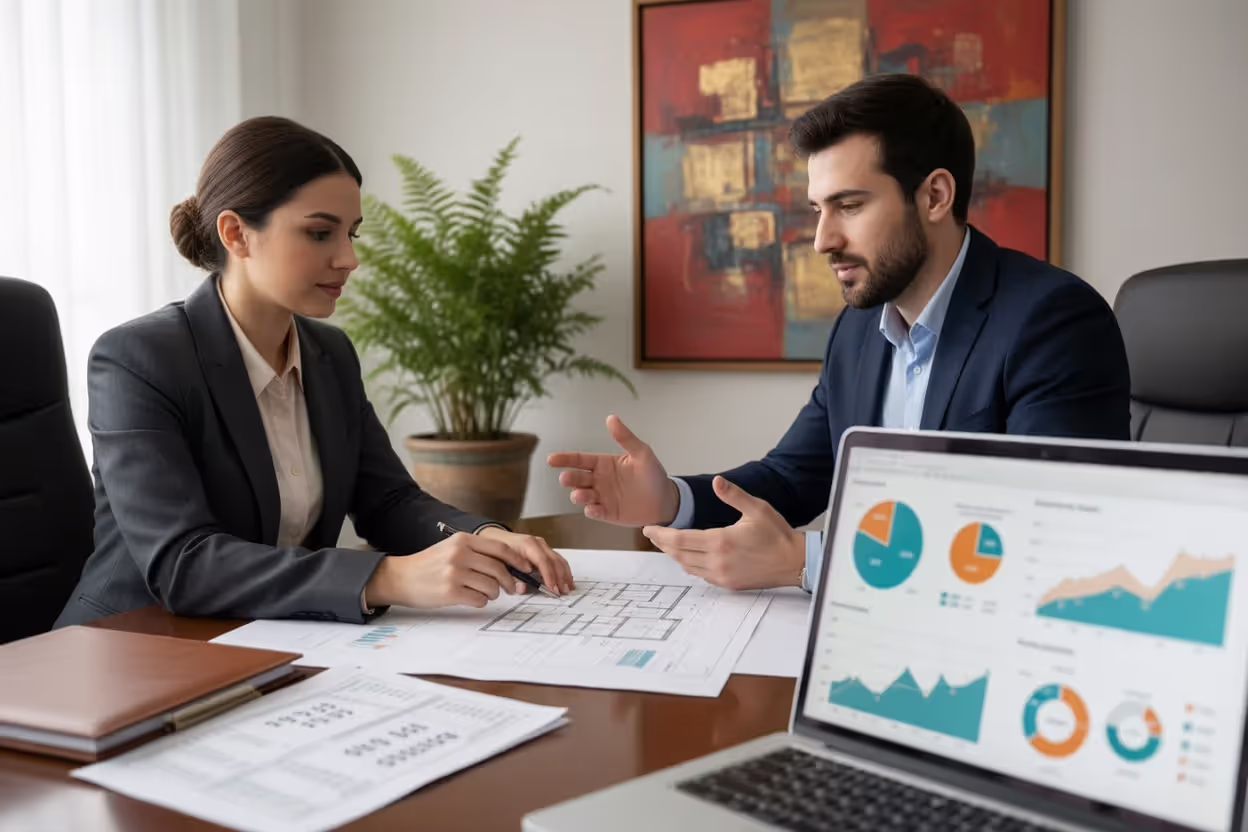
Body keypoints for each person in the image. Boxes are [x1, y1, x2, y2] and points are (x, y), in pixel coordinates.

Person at [548, 74, 1130, 594]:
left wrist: (808, 562)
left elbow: (1049, 542)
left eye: (849, 205)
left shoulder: (1053, 321)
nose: (823, 238)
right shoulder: (858, 329)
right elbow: (795, 476)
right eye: (816, 210)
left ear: (934, 196)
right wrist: (671, 501)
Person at [55, 116, 572, 627]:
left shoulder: (330, 354)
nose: (348, 259)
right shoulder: (138, 359)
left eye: (352, 234)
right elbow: (183, 564)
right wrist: (385, 578)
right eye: (321, 233)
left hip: (268, 638)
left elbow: (388, 501)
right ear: (236, 234)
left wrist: (480, 536)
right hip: (132, 645)